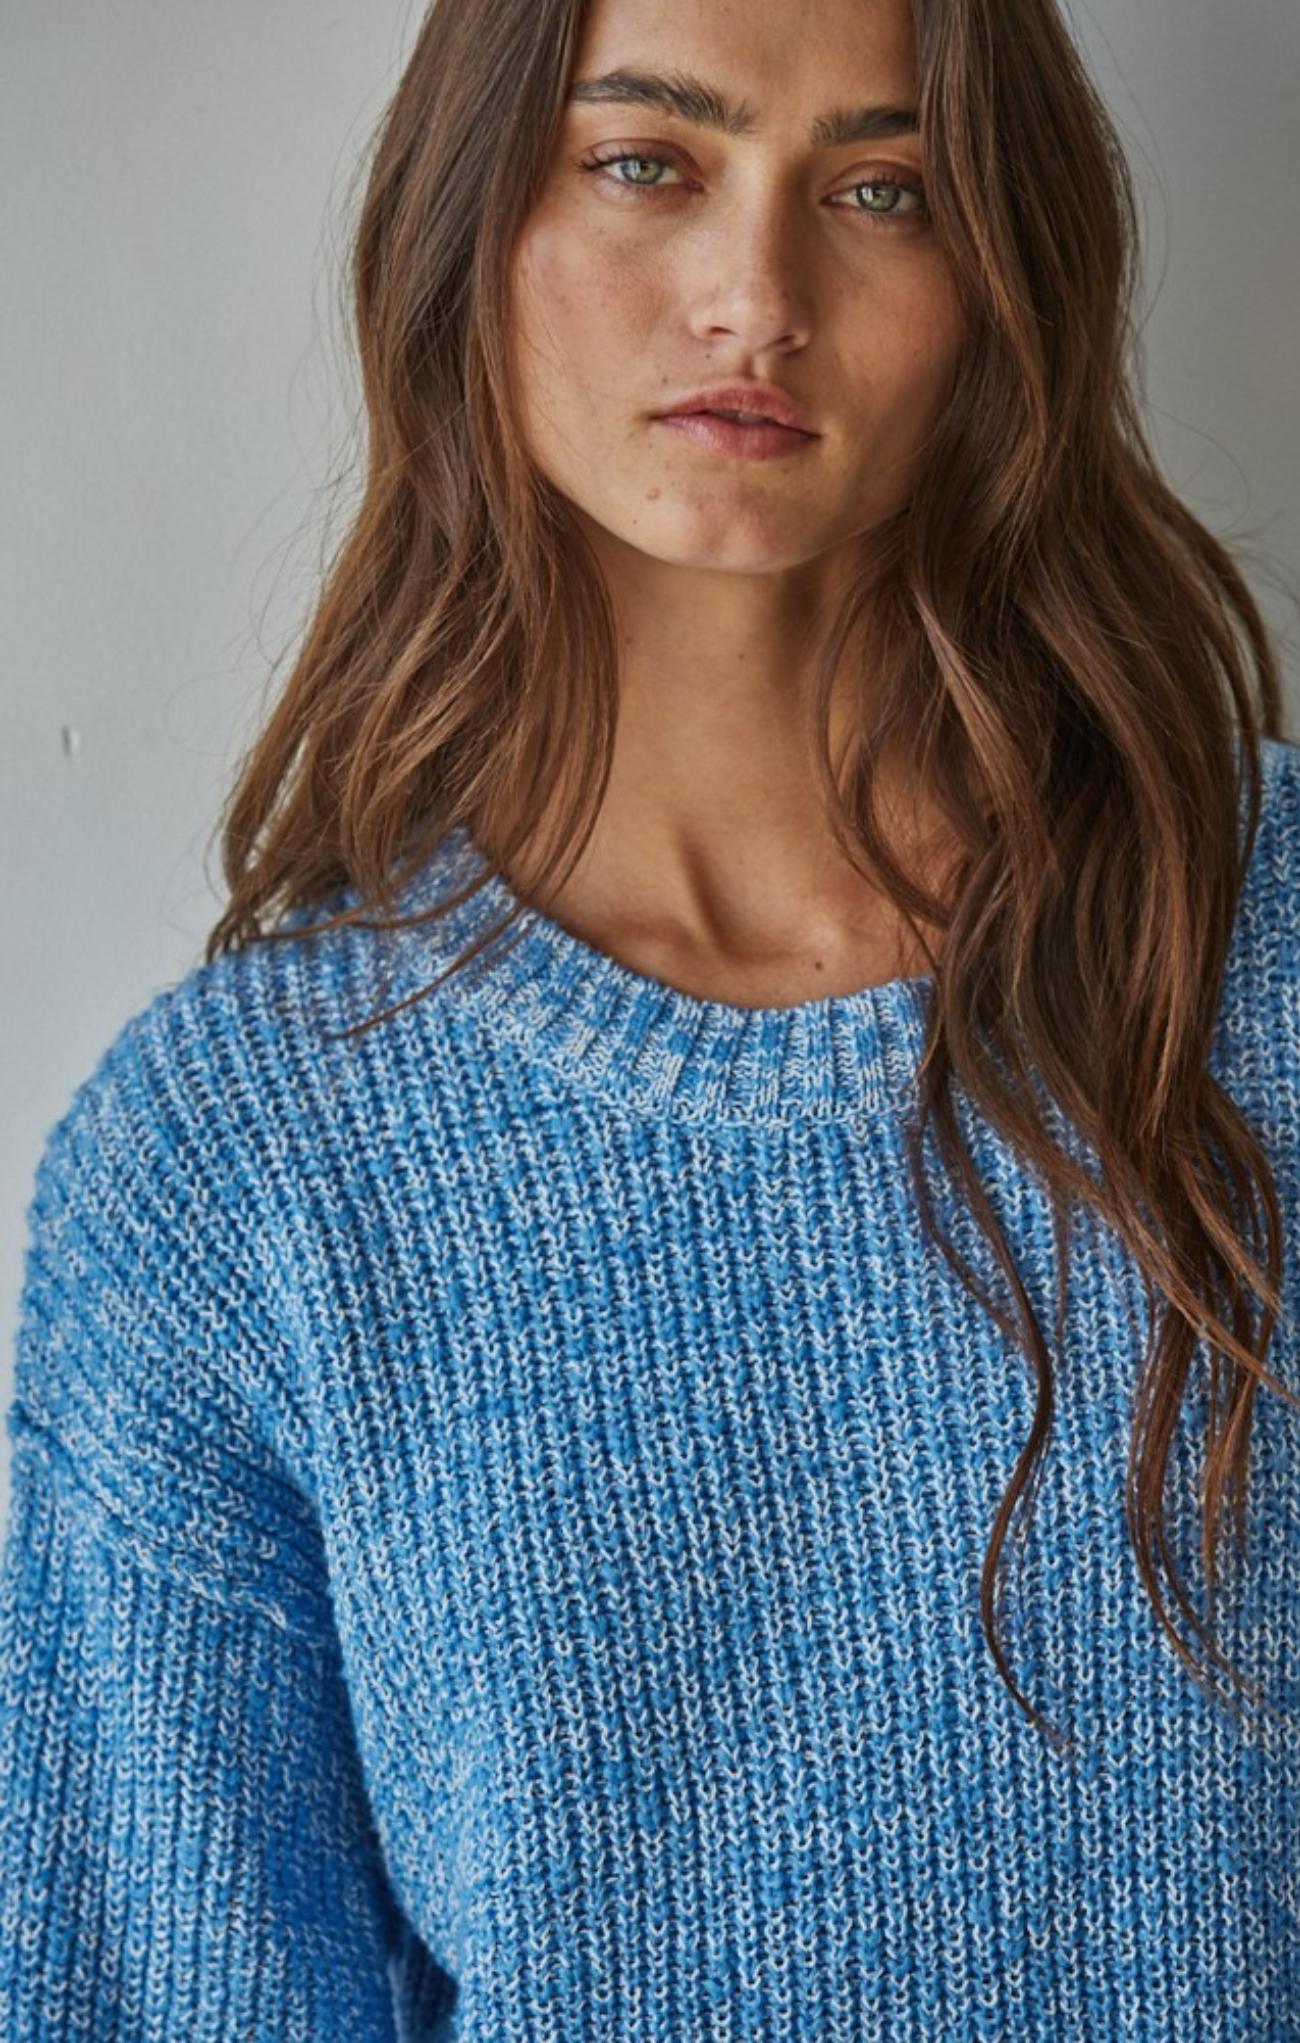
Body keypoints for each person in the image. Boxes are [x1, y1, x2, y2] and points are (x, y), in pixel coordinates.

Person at [1, 0, 1298, 2031]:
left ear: (998, 281)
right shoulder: (226, 1169)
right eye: (645, 162)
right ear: (468, 226)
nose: (752, 296)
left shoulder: (1268, 953)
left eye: (881, 191)